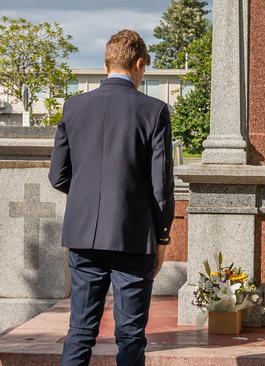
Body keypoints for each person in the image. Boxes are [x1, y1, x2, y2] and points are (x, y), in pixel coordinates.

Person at [49, 29, 175, 366]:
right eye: (144, 69)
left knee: (80, 330)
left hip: (84, 235)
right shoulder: (154, 110)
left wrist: (86, 197)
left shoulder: (74, 107)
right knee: (131, 334)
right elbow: (160, 184)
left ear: (107, 63)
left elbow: (57, 175)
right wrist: (162, 235)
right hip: (132, 237)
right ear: (137, 64)